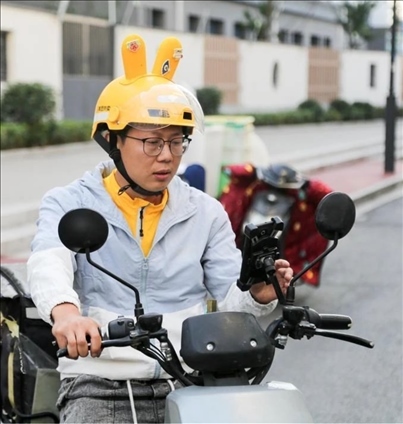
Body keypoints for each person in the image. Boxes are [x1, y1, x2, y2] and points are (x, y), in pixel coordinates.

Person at [27, 33, 293, 424]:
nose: (167, 156)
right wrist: (66, 315)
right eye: (152, 142)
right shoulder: (69, 203)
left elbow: (230, 304)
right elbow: (48, 263)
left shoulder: (205, 212)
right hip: (100, 381)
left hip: (189, 378)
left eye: (177, 141)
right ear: (112, 140)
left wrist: (257, 294)